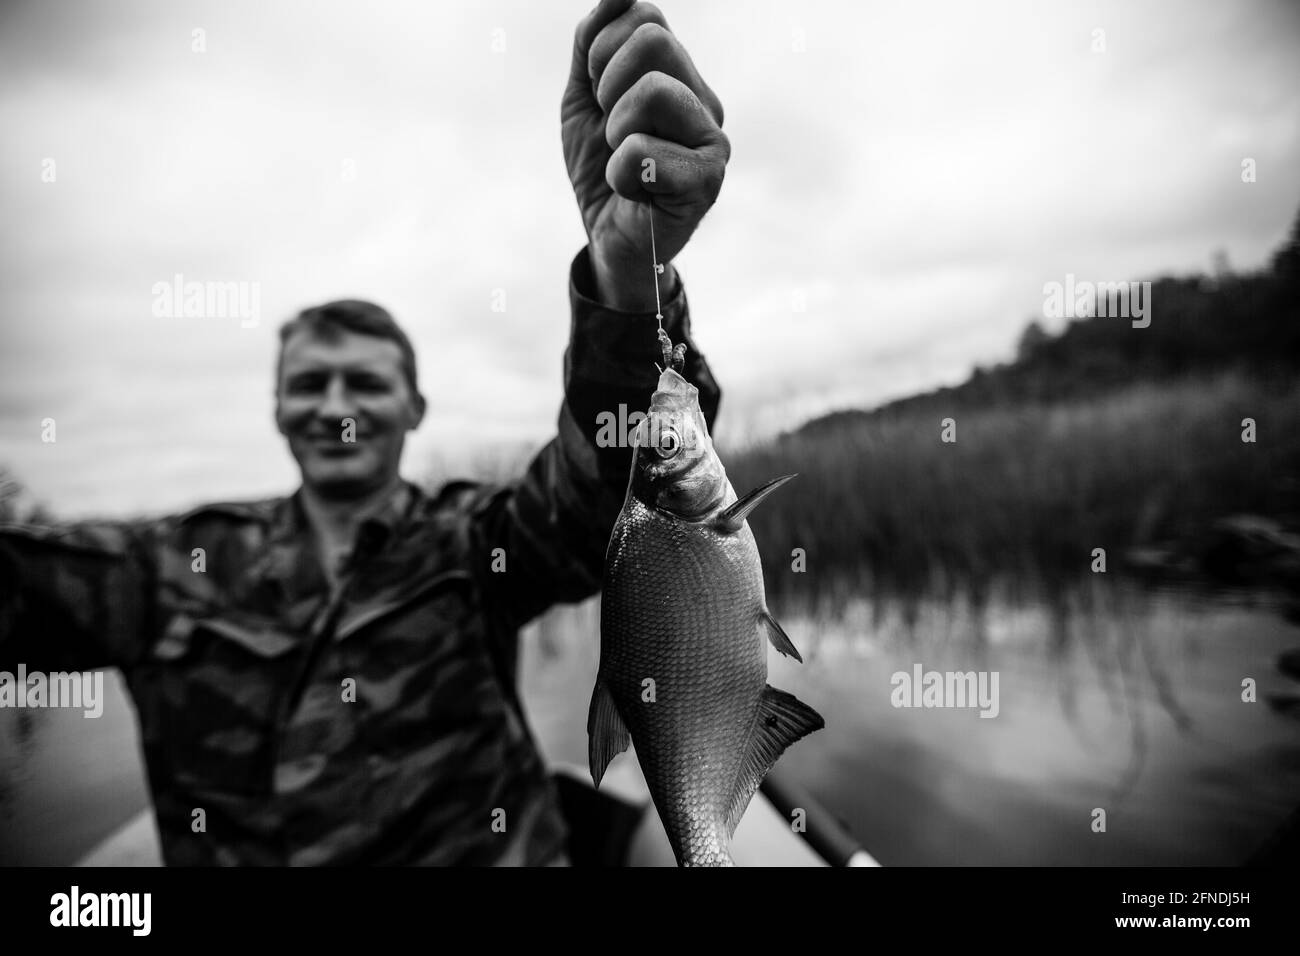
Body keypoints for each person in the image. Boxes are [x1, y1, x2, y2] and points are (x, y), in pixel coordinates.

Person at [0, 0, 727, 866]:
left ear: (413, 408)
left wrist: (627, 271)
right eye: (310, 383)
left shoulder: (474, 542)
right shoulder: (163, 568)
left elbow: (603, 498)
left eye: (367, 382)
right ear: (277, 409)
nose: (336, 403)